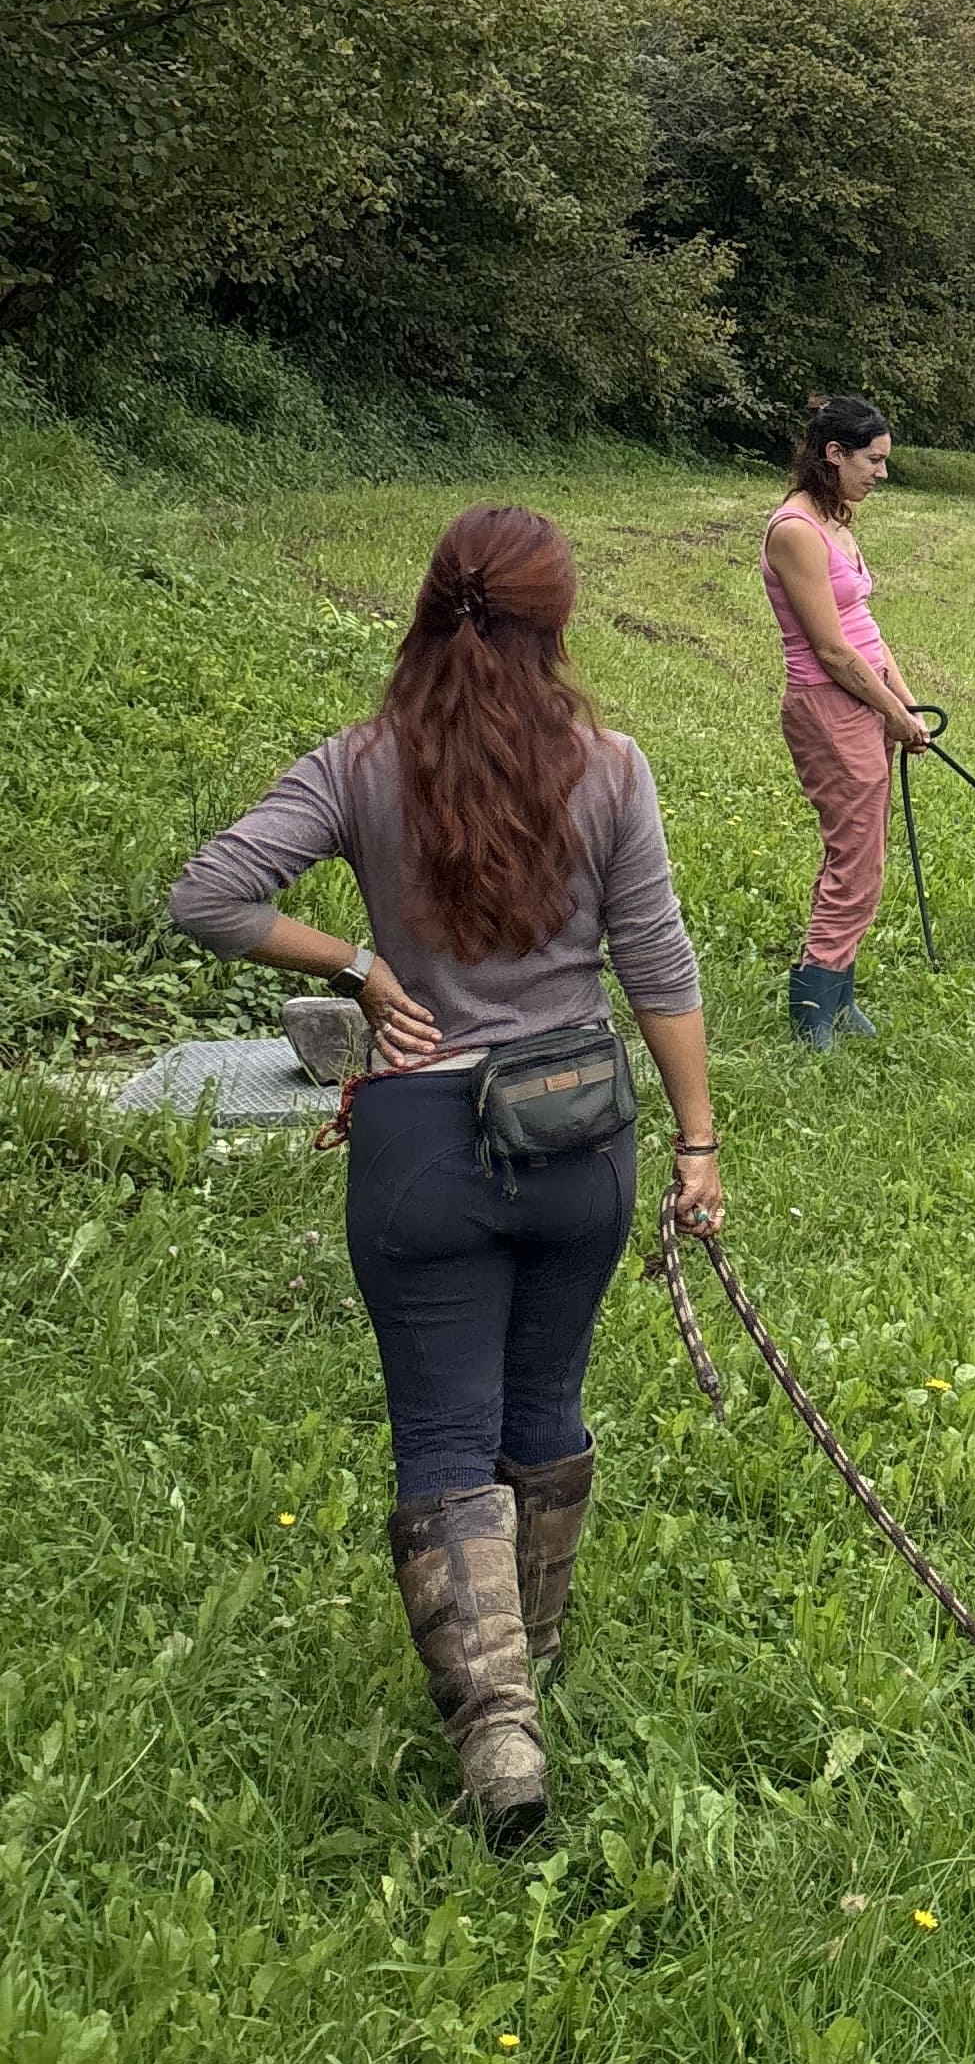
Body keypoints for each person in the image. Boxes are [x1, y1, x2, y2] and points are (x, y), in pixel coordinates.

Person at [169, 507, 722, 1849]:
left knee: (442, 1435)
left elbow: (210, 895)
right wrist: (698, 1142)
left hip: (421, 1152)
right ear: (559, 622)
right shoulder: (612, 768)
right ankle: (521, 1675)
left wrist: (363, 967)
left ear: (426, 607)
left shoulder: (363, 764)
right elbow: (658, 967)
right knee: (545, 1401)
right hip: (578, 1138)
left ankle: (497, 1737)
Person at [763, 394, 933, 1050]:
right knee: (854, 863)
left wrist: (905, 703)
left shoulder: (838, 519)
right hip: (829, 708)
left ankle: (839, 995)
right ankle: (813, 1012)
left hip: (866, 702)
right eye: (874, 459)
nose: (881, 474)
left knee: (863, 859)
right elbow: (831, 649)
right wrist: (891, 713)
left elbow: (865, 629)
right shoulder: (794, 533)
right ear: (834, 454)